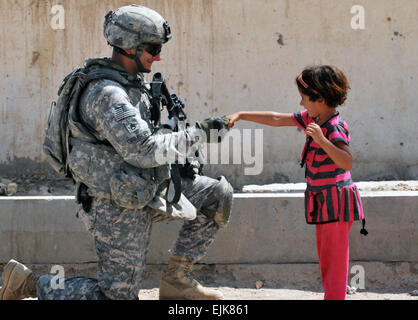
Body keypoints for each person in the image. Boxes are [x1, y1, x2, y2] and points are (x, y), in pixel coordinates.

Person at [0, 5, 233, 300]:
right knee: (116, 297)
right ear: (129, 46)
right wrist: (200, 133)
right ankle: (30, 284)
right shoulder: (107, 94)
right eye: (152, 48)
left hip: (147, 190)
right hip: (114, 205)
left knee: (217, 195)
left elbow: (147, 138)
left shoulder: (133, 84)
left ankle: (178, 281)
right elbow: (143, 148)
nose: (158, 56)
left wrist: (184, 157)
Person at [226, 65, 367, 300]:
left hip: (336, 202)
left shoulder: (333, 127)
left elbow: (347, 161)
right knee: (326, 258)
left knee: (335, 262)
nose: (301, 104)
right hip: (323, 201)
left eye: (304, 98)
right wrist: (241, 115)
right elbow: (275, 118)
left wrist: (321, 140)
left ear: (319, 98)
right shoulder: (313, 118)